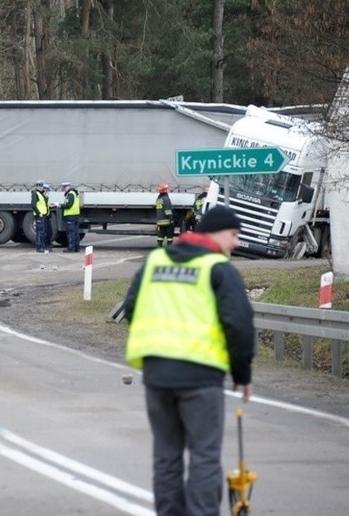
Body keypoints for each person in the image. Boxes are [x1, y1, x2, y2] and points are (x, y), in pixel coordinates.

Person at [123, 205, 255, 516]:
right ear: (214, 233)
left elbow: (130, 308)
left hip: (157, 376)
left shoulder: (155, 261)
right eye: (234, 235)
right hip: (200, 376)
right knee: (204, 456)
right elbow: (238, 324)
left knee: (166, 456)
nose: (236, 243)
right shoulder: (218, 269)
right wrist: (242, 374)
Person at [60, 181, 80, 252]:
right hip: (75, 216)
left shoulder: (70, 194)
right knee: (75, 232)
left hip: (70, 216)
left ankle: (71, 247)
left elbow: (68, 205)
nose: (64, 189)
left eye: (64, 187)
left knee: (70, 233)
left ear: (68, 187)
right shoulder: (74, 193)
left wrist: (60, 206)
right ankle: (76, 247)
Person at [31, 180, 51, 253]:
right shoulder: (35, 194)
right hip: (40, 215)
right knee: (40, 232)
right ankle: (39, 247)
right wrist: (38, 213)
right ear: (37, 186)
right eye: (40, 186)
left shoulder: (41, 194)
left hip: (43, 215)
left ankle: (42, 246)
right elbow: (33, 205)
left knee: (42, 232)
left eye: (42, 186)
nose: (41, 187)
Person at [155, 183, 174, 247]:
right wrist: (171, 220)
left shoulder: (158, 199)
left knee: (161, 234)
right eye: (167, 189)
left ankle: (159, 246)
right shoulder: (166, 199)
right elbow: (168, 210)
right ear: (165, 190)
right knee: (169, 234)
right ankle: (169, 246)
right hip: (166, 220)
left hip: (160, 221)